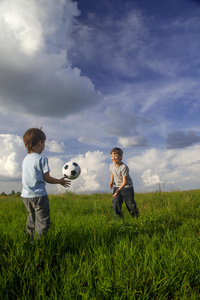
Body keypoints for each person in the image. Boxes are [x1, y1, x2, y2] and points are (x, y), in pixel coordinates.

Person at [21, 128, 71, 240]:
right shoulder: (41, 159)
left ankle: (27, 238)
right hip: (39, 196)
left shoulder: (25, 159)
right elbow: (46, 178)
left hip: (26, 196)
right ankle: (39, 245)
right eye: (44, 142)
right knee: (43, 221)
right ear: (40, 142)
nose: (44, 145)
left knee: (32, 217)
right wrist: (60, 181)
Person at [109, 147, 139, 219]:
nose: (114, 158)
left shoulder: (124, 167)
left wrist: (118, 190)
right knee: (115, 203)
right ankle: (118, 220)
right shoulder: (111, 165)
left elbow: (125, 182)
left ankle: (137, 218)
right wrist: (111, 182)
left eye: (115, 156)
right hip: (117, 187)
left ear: (120, 157)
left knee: (130, 205)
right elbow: (112, 173)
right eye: (112, 156)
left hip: (127, 188)